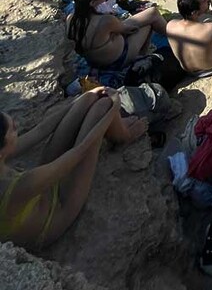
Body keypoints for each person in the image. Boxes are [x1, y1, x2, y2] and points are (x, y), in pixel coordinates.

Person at [0, 90, 147, 249]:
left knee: (90, 99)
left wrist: (83, 98)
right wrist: (115, 106)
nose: (18, 126)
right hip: (58, 211)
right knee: (103, 106)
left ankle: (112, 121)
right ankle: (125, 135)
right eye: (13, 129)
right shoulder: (17, 186)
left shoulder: (2, 154)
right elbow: (81, 150)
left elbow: (41, 130)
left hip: (39, 194)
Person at [66, 0, 166, 69]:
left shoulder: (71, 18)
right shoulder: (105, 20)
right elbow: (128, 29)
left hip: (94, 61)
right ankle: (171, 35)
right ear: (92, 2)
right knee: (149, 20)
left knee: (149, 15)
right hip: (118, 61)